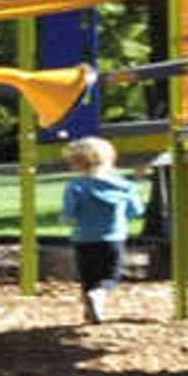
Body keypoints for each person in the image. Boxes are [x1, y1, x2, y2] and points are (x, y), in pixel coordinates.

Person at [59, 133, 150, 323]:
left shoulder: (75, 187)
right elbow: (136, 211)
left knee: (88, 277)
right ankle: (99, 296)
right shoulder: (124, 186)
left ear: (76, 163)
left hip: (83, 239)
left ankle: (89, 307)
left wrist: (70, 220)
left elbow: (68, 215)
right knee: (110, 276)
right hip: (112, 238)